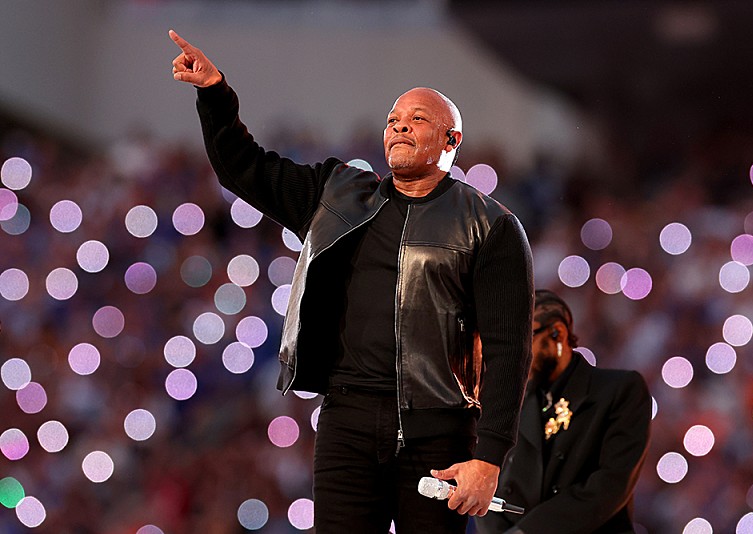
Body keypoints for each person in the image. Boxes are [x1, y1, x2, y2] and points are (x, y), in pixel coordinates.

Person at [169, 30, 535, 533]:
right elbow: (244, 169)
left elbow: (509, 350)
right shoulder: (336, 194)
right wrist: (214, 94)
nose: (399, 126)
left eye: (417, 119)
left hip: (439, 431)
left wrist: (489, 457)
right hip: (346, 422)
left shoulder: (490, 225)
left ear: (452, 141)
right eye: (393, 120)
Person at [476, 289, 651, 534]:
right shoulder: (511, 401)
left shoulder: (618, 390)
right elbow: (488, 477)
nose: (513, 357)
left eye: (521, 341)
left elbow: (610, 485)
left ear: (557, 333)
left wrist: (527, 532)